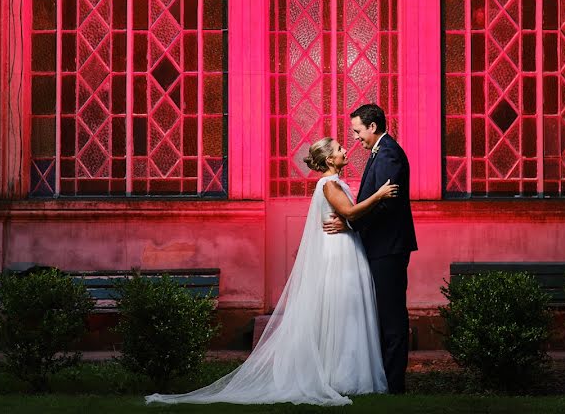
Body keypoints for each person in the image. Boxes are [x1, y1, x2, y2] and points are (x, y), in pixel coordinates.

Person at [145, 137, 397, 406]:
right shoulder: (329, 184)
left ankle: (351, 375)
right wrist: (379, 195)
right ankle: (341, 376)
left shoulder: (336, 182)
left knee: (348, 312)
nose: (345, 150)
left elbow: (346, 218)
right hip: (337, 253)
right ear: (328, 160)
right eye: (338, 149)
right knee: (341, 311)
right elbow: (350, 212)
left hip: (346, 247)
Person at [323, 103, 417, 394]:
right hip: (381, 247)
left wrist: (350, 225)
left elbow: (386, 205)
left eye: (357, 131)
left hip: (388, 248)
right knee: (382, 314)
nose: (355, 138)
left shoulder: (389, 155)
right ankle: (384, 379)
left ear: (372, 127)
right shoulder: (382, 152)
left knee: (391, 316)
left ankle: (394, 384)